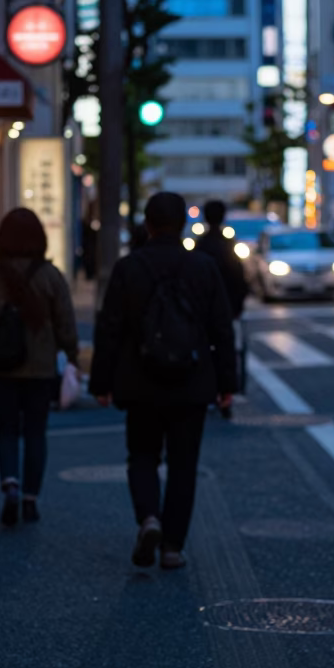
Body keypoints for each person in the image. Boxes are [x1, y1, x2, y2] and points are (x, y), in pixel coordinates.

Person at [90, 191, 236, 569]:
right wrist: (227, 384)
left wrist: (101, 382)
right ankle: (172, 546)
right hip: (192, 381)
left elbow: (109, 328)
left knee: (142, 455)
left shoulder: (129, 268)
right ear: (183, 225)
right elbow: (222, 329)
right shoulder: (203, 267)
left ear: (149, 224)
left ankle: (149, 518)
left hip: (140, 380)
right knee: (184, 465)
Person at [0, 207, 79, 526]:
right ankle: (31, 498)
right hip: (40, 367)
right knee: (36, 433)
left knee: (5, 429)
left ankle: (10, 484)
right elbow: (65, 323)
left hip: (0, 367)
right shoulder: (50, 276)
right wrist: (72, 355)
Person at [195, 199, 248, 414]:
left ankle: (209, 391)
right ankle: (226, 394)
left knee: (205, 351)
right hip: (226, 307)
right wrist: (237, 306)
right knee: (227, 350)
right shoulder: (229, 245)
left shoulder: (200, 245)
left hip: (203, 309)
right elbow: (239, 278)